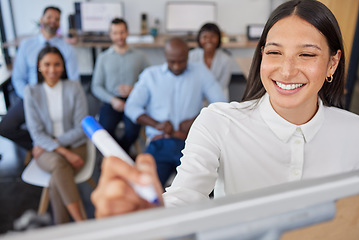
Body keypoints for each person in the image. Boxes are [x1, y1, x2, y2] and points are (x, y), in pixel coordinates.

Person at [91, 0, 359, 218]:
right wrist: (149, 217)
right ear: (262, 55)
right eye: (274, 52)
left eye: (307, 54)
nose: (287, 71)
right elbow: (185, 196)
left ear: (332, 64)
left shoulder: (353, 132)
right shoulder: (217, 122)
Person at [124, 37, 226, 188]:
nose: (177, 66)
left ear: (188, 57)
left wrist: (195, 121)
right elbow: (131, 107)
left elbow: (221, 103)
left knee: (207, 188)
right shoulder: (150, 76)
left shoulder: (200, 72)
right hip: (159, 143)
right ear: (165, 57)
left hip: (191, 143)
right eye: (172, 61)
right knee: (147, 191)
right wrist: (156, 124)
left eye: (181, 61)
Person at [0, 6, 79, 151]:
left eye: (57, 19)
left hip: (58, 95)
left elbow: (74, 80)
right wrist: (31, 98)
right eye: (49, 17)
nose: (53, 21)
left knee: (59, 124)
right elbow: (18, 78)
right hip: (30, 96)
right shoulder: (26, 46)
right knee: (5, 127)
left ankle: (48, 145)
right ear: (41, 20)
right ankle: (37, 146)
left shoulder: (67, 48)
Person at [23, 46, 87, 224]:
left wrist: (53, 143)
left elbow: (81, 127)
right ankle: (81, 222)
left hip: (75, 146)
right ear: (39, 66)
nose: (52, 70)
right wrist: (63, 151)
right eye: (47, 64)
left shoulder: (74, 87)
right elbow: (35, 132)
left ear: (63, 66)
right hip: (51, 151)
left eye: (57, 64)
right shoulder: (31, 92)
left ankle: (63, 229)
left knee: (57, 177)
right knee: (59, 164)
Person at [91, 18, 148, 154]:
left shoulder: (139, 56)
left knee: (132, 130)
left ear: (127, 33)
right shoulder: (103, 58)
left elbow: (149, 82)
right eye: (115, 33)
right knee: (105, 129)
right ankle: (121, 155)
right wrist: (113, 100)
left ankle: (120, 153)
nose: (119, 36)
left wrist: (134, 89)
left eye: (122, 32)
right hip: (111, 100)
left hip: (133, 100)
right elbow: (96, 86)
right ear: (110, 35)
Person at [188, 23, 232, 101]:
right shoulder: (191, 56)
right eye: (204, 37)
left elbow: (223, 84)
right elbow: (190, 81)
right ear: (199, 39)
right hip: (196, 95)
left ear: (219, 38)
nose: (208, 40)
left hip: (217, 95)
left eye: (212, 36)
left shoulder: (226, 59)